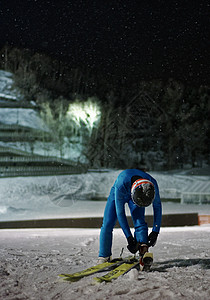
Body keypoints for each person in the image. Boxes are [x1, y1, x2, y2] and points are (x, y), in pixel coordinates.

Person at [98, 168, 162, 263]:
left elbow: (157, 207)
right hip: (120, 192)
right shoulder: (121, 185)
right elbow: (120, 213)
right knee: (108, 223)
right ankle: (104, 255)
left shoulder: (152, 185)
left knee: (139, 221)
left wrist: (155, 231)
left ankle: (143, 251)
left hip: (138, 193)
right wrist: (129, 238)